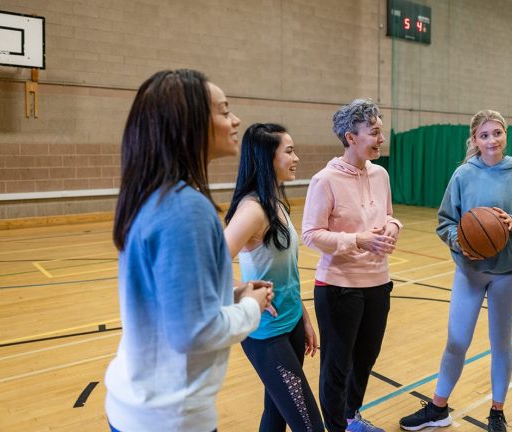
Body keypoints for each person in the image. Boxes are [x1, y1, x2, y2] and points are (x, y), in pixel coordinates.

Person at [105, 69, 273, 432]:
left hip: (136, 406)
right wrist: (249, 307)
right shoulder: (186, 209)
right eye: (224, 110)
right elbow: (193, 332)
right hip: (168, 417)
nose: (235, 120)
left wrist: (230, 294)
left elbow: (171, 300)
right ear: (188, 123)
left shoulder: (150, 195)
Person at [399, 110, 512, 432]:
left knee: (501, 343)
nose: (491, 140)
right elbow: (445, 222)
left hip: (509, 272)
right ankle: (438, 408)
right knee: (456, 341)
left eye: (497, 133)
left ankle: (497, 411)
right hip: (470, 271)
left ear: (505, 135)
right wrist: (459, 240)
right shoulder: (463, 175)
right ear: (474, 139)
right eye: (484, 135)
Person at [301, 98, 402, 432]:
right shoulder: (325, 180)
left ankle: (349, 418)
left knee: (364, 362)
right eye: (373, 133)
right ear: (350, 137)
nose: (380, 139)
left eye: (380, 132)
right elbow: (311, 235)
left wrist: (392, 227)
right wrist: (358, 240)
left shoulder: (381, 174)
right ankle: (335, 427)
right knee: (337, 367)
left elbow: (388, 214)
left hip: (378, 284)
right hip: (338, 287)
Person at [223, 123, 324, 432]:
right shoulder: (253, 209)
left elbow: (288, 273)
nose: (296, 158)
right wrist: (241, 293)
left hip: (291, 323)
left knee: (276, 414)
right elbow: (210, 264)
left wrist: (303, 316)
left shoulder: (277, 202)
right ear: (268, 158)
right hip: (267, 337)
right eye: (289, 151)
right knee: (310, 426)